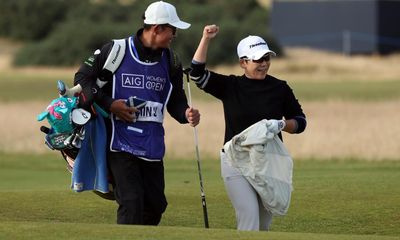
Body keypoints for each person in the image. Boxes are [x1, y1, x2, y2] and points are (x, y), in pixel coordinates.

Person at [73, 1, 200, 225]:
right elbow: (82, 79)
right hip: (119, 142)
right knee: (131, 201)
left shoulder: (172, 60)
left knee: (155, 205)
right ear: (157, 28)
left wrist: (186, 114)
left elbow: (175, 100)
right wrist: (111, 104)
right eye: (173, 30)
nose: (175, 35)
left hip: (152, 145)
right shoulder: (115, 50)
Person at [189, 25, 307, 231]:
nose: (264, 64)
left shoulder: (280, 88)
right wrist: (206, 39)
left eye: (267, 59)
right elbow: (197, 74)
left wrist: (281, 124)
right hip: (235, 159)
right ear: (243, 62)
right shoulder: (230, 86)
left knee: (263, 224)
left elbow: (300, 122)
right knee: (249, 218)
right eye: (258, 60)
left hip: (268, 161)